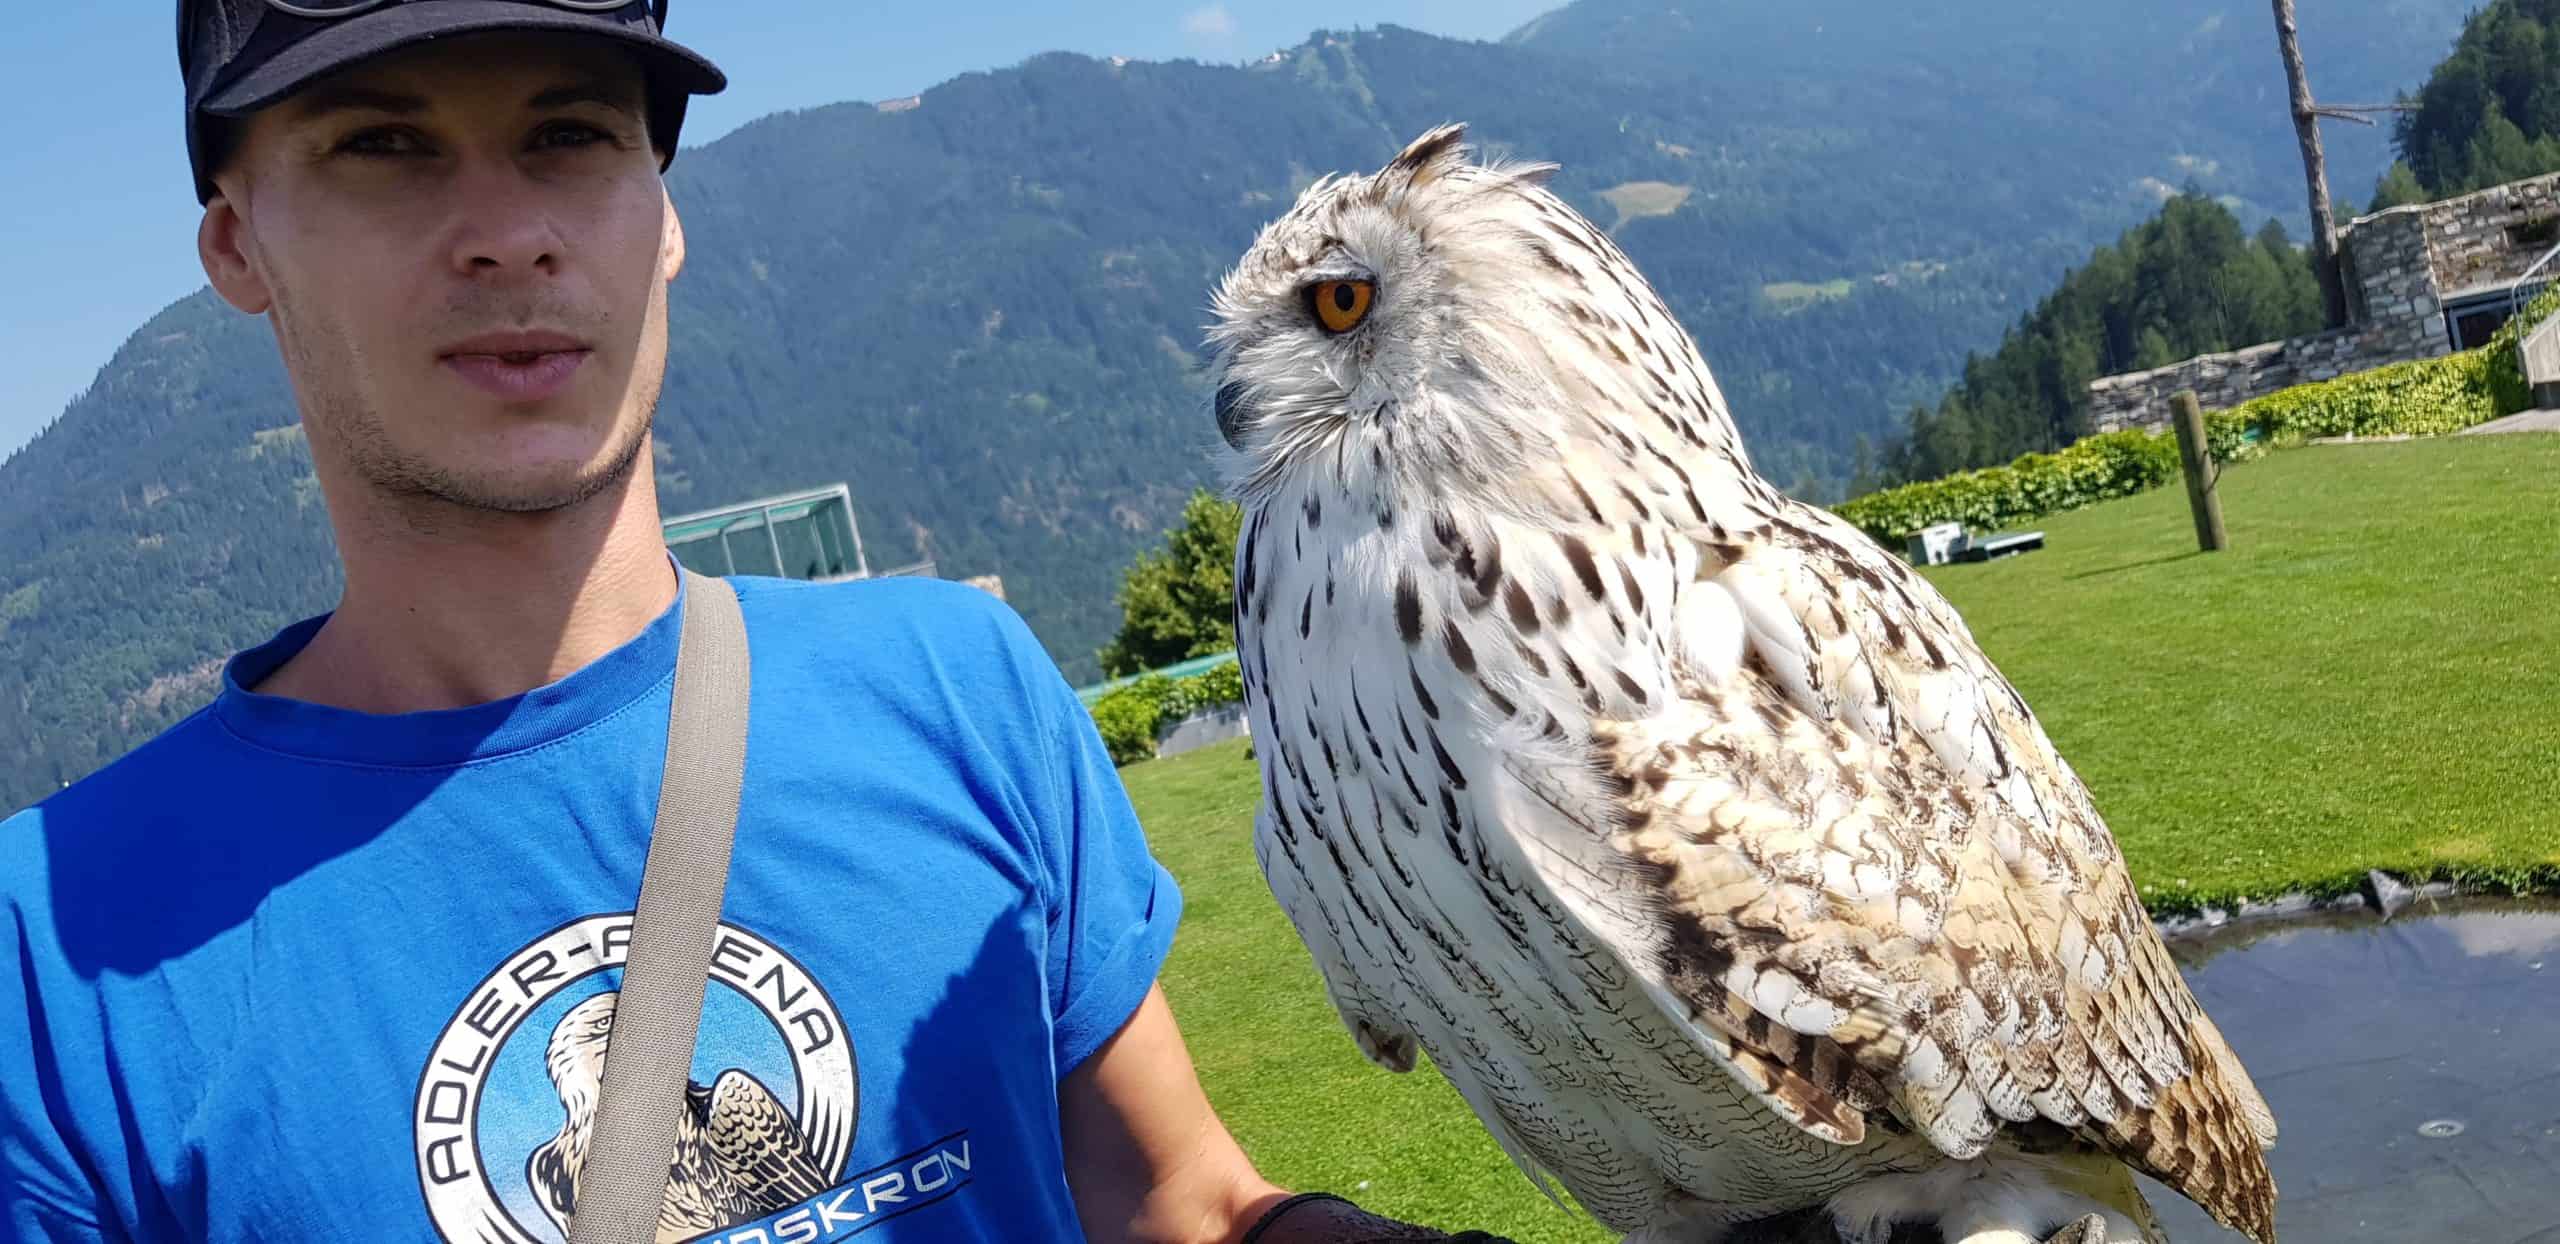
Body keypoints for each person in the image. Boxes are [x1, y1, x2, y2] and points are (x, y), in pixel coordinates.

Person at [0, 4, 1519, 1242]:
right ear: (236, 248)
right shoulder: (51, 956)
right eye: (385, 145)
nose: (510, 231)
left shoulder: (957, 688)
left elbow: (1176, 1201)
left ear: (662, 219)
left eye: (570, 136)